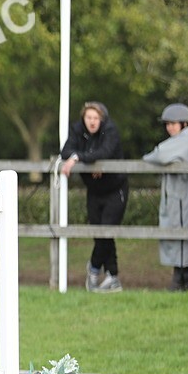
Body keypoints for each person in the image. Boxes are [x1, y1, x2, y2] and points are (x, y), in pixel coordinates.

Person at [59, 101, 128, 293]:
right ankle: (113, 277)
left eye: (96, 118)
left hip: (115, 188)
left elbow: (105, 152)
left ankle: (95, 268)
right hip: (94, 191)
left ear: (102, 119)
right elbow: (65, 151)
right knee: (100, 233)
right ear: (83, 118)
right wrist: (88, 161)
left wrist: (81, 159)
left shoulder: (110, 131)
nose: (92, 122)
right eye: (88, 117)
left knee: (106, 230)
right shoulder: (77, 130)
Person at [143, 103, 188, 291]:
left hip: (181, 196)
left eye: (174, 123)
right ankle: (185, 278)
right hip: (182, 195)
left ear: (184, 124)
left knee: (179, 231)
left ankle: (183, 279)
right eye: (167, 124)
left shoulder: (186, 141)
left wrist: (149, 157)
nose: (170, 127)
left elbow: (159, 154)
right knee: (182, 232)